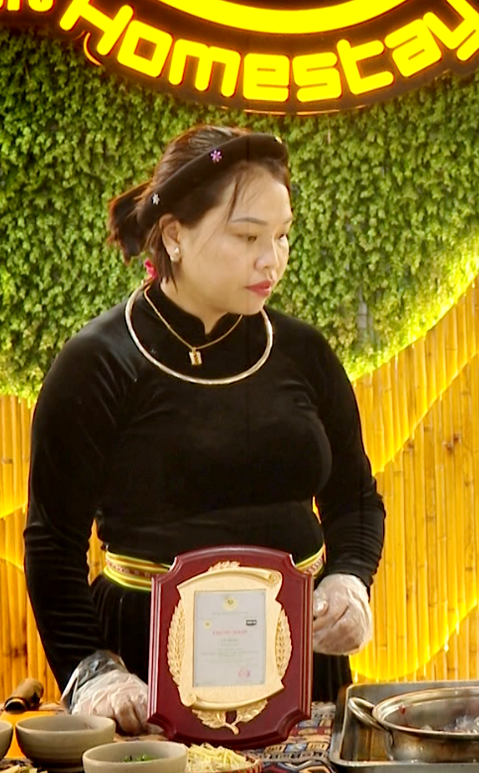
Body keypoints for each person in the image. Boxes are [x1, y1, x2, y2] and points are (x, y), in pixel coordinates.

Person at [24, 124, 386, 734]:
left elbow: (355, 498)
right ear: (174, 235)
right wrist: (93, 670)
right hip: (145, 670)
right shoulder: (99, 363)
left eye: (282, 236)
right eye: (247, 236)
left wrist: (351, 576)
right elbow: (53, 545)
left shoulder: (304, 353)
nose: (272, 258)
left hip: (298, 662)